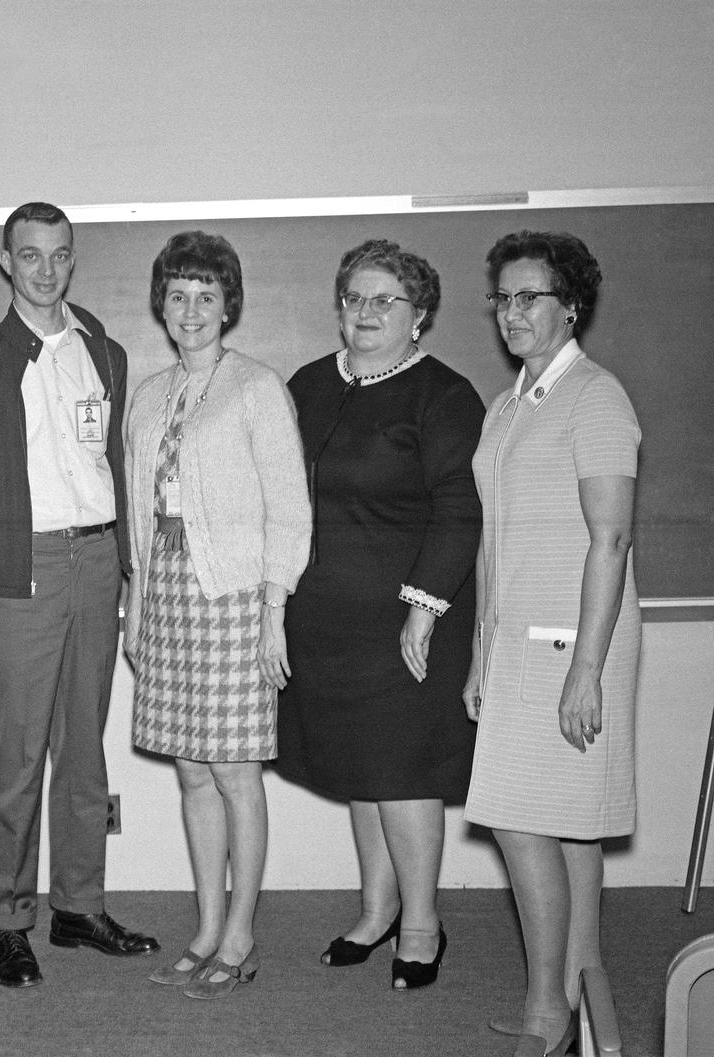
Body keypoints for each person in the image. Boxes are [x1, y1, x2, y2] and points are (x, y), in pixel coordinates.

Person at [0, 202, 158, 989]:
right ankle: (9, 919)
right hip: (17, 573)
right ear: (6, 262)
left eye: (59, 255)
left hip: (97, 560)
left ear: (74, 260)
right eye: (29, 255)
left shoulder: (104, 348)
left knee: (86, 749)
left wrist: (129, 567)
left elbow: (116, 469)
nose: (44, 269)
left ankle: (79, 904)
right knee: (18, 755)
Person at [278, 239, 484, 991]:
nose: (364, 313)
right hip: (326, 620)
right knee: (360, 772)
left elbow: (461, 510)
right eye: (354, 298)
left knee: (401, 773)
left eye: (384, 300)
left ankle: (422, 924)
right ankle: (375, 909)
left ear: (419, 314)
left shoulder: (444, 395)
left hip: (409, 623)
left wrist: (424, 607)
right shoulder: (306, 385)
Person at [465, 232, 640, 1057]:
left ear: (570, 303)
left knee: (521, 820)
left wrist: (586, 671)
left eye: (529, 296)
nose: (513, 312)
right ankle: (574, 1004)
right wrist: (478, 653)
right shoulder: (512, 404)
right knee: (562, 829)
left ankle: (550, 1012)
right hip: (517, 642)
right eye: (502, 297)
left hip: (575, 643)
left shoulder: (596, 398)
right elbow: (493, 541)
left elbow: (610, 541)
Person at [123, 231, 311, 998]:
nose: (192, 310)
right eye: (178, 296)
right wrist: (134, 604)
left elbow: (289, 509)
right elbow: (139, 512)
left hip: (234, 597)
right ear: (161, 307)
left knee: (235, 769)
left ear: (228, 304)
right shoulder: (150, 392)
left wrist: (274, 611)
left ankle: (240, 934)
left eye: (207, 295)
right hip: (166, 593)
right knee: (192, 771)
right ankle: (205, 926)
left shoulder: (257, 387)